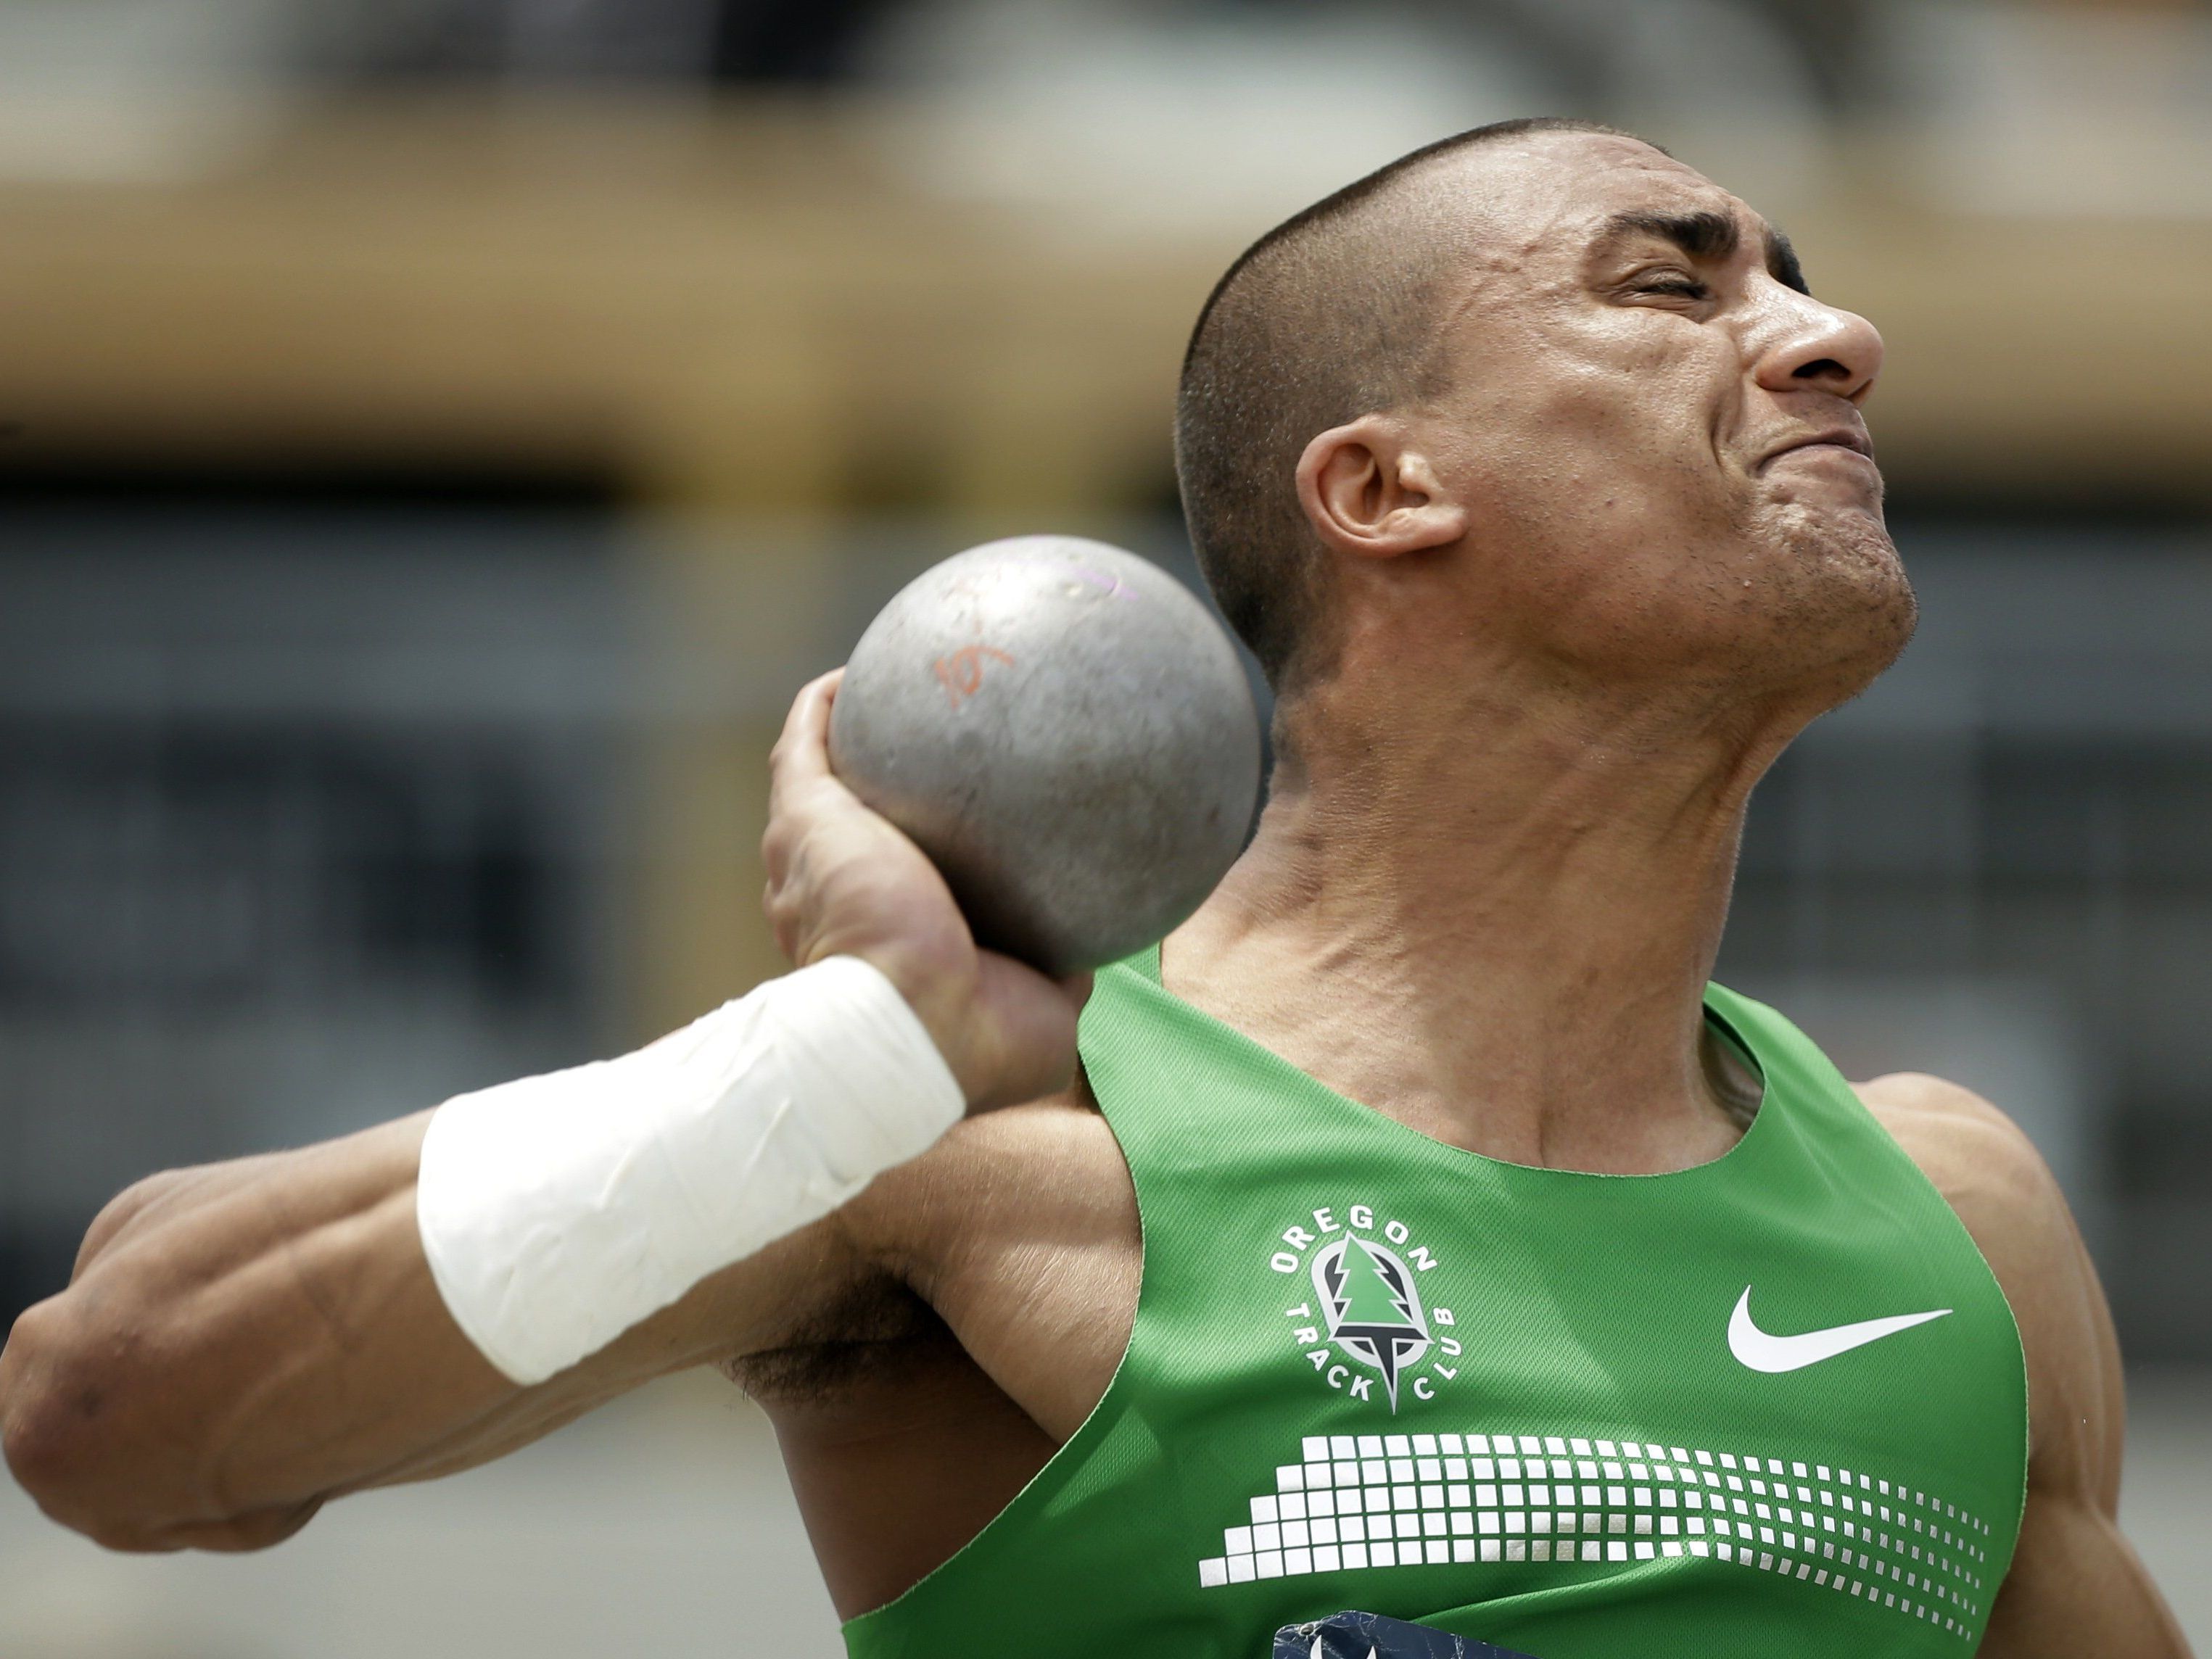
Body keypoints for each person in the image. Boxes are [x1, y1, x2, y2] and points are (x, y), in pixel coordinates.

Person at [0, 118, 2188, 1659]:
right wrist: (855, 1052)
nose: (1830, 338)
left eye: (1795, 284)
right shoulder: (985, 1144)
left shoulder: (1951, 1223)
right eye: (1668, 286)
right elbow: (114, 1409)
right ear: (1380, 485)